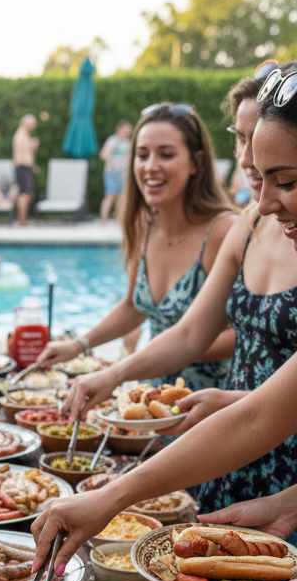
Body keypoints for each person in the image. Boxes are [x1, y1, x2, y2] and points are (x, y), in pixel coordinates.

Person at [63, 67, 297, 514]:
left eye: (285, 181)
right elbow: (190, 332)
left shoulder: (225, 225)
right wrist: (112, 374)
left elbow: (259, 414)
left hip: (253, 439)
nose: (248, 162)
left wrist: (113, 496)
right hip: (224, 451)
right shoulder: (250, 223)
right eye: (240, 138)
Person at [37, 104, 237, 390]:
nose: (150, 166)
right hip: (152, 400)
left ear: (196, 162)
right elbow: (134, 306)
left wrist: (167, 351)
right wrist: (78, 345)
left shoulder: (225, 231)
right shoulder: (144, 225)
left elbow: (245, 334)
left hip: (215, 402)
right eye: (142, 155)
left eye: (166, 154)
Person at [99, 120, 133, 221]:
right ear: (120, 129)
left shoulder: (128, 143)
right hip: (111, 172)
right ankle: (103, 221)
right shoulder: (112, 141)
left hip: (124, 173)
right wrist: (114, 162)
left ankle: (119, 219)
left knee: (121, 197)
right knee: (110, 195)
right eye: (127, 128)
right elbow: (103, 154)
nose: (129, 130)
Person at [12, 114, 38, 227]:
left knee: (26, 194)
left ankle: (22, 219)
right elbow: (21, 156)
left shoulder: (24, 135)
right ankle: (22, 220)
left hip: (24, 167)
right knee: (24, 194)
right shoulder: (21, 136)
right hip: (22, 167)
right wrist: (33, 146)